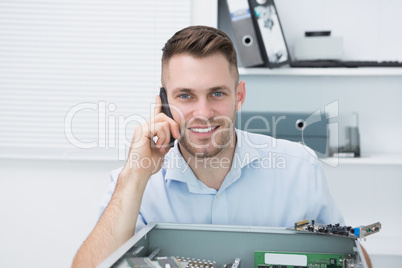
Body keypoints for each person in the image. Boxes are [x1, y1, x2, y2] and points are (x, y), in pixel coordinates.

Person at [72, 25, 357, 267]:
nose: (203, 112)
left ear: (239, 95)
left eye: (217, 93)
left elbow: (352, 257)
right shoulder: (136, 181)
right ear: (163, 102)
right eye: (185, 96)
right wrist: (135, 175)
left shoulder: (299, 168)